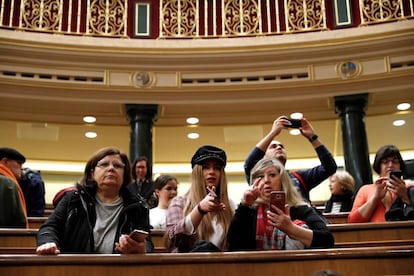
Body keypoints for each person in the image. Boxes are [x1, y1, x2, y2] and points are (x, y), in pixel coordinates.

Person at [36, 147, 154, 255]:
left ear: (125, 174)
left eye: (117, 166)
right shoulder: (74, 199)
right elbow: (49, 227)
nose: (111, 168)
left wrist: (142, 249)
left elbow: (148, 243)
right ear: (92, 173)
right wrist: (48, 243)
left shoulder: (138, 206)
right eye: (104, 164)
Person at [227, 157, 334, 251]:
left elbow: (327, 240)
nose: (266, 180)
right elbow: (233, 244)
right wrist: (244, 205)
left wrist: (291, 229)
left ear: (283, 180)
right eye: (260, 176)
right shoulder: (249, 210)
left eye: (272, 175)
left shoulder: (300, 209)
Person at [244, 116, 337, 203]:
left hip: (299, 219)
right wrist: (273, 133)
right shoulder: (258, 177)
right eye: (273, 147)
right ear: (263, 156)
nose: (279, 148)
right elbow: (250, 163)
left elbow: (329, 167)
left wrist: (313, 137)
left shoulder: (299, 177)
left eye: (281, 146)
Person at [166, 145, 236, 252]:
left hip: (223, 266)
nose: (211, 171)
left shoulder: (229, 205)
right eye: (205, 167)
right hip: (188, 266)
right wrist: (199, 210)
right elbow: (171, 239)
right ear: (197, 172)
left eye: (217, 168)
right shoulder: (179, 203)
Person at [348, 145, 412, 223]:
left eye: (395, 161)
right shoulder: (366, 189)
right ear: (379, 166)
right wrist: (375, 198)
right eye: (385, 162)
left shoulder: (410, 188)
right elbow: (353, 221)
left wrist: (405, 196)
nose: (390, 165)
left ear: (400, 166)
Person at [0, 147, 28, 228]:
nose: (22, 168)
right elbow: (18, 220)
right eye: (19, 163)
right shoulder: (7, 183)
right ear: (5, 161)